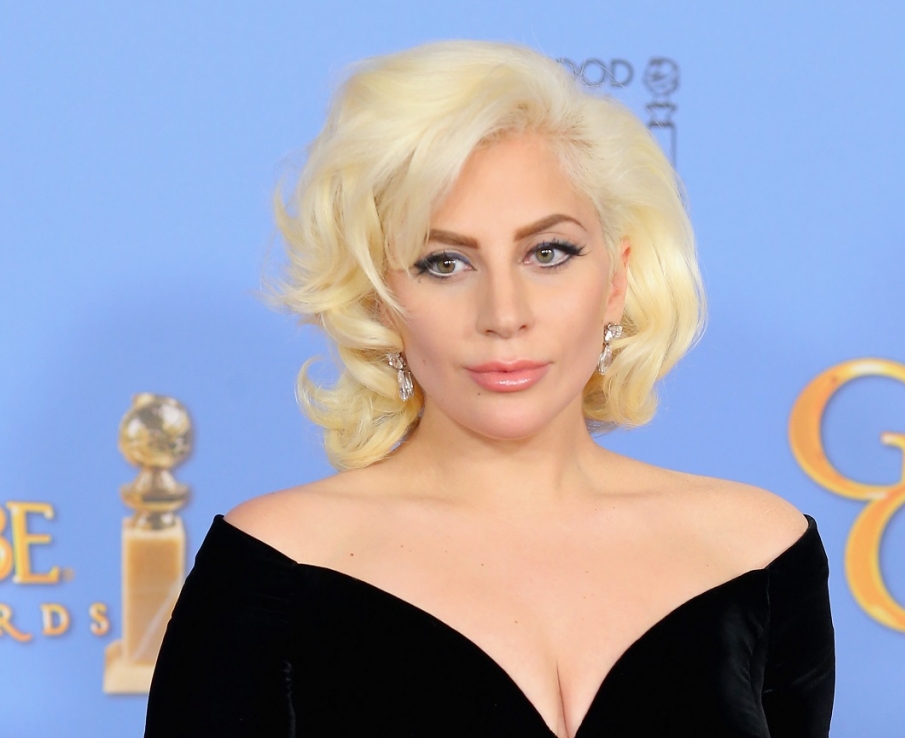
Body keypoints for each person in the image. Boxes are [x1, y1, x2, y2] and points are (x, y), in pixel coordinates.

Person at [144, 40, 835, 737]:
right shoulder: (275, 566)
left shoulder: (759, 554)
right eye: (444, 263)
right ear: (382, 298)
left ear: (617, 280)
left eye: (549, 253)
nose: (504, 315)